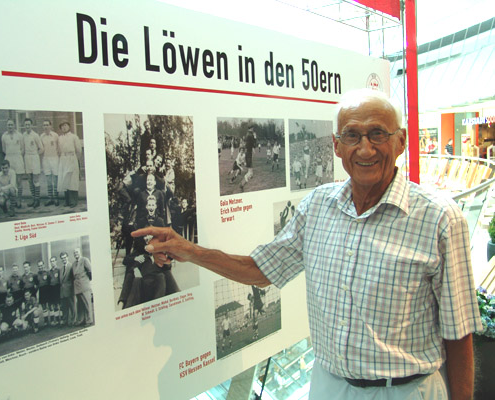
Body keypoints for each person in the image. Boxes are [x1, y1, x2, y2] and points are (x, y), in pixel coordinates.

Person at [133, 89, 482, 400]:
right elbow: (260, 270)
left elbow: (459, 332)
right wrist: (190, 250)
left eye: (378, 133)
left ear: (401, 141)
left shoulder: (439, 219)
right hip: (329, 386)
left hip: (405, 390)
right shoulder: (317, 207)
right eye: (352, 135)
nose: (365, 148)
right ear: (336, 145)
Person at [57, 122, 82, 207]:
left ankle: (73, 201)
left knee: (72, 180)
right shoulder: (60, 138)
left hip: (72, 158)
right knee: (64, 179)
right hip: (63, 159)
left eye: (65, 125)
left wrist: (76, 161)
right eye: (62, 126)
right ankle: (67, 201)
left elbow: (79, 150)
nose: (64, 127)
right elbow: (59, 150)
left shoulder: (74, 137)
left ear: (69, 127)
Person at [1, 119, 25, 207]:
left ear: (14, 125)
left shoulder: (19, 135)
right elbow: (4, 149)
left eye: (11, 125)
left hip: (18, 158)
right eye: (8, 125)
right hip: (9, 158)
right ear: (6, 126)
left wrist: (17, 155)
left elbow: (22, 148)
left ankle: (19, 200)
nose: (10, 126)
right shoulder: (4, 136)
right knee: (10, 180)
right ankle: (13, 201)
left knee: (19, 181)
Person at [22, 118, 43, 208]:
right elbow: (23, 148)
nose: (27, 126)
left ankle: (37, 200)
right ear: (24, 126)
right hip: (27, 158)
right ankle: (33, 199)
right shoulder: (23, 135)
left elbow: (41, 148)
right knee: (30, 181)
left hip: (34, 158)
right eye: (26, 125)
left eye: (29, 124)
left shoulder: (35, 135)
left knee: (35, 180)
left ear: (31, 125)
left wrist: (35, 155)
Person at [71, 248, 93, 326]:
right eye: (74, 253)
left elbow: (90, 271)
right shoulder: (73, 264)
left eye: (77, 252)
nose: (75, 254)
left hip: (84, 285)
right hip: (77, 286)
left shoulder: (84, 260)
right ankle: (81, 320)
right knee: (80, 305)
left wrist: (86, 281)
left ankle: (89, 320)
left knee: (87, 304)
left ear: (80, 252)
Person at [40, 120, 60, 206]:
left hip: (54, 158)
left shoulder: (55, 135)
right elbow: (40, 149)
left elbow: (59, 148)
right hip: (46, 159)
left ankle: (56, 198)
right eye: (44, 125)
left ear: (50, 126)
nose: (46, 127)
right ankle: (50, 198)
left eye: (47, 125)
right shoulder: (41, 136)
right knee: (48, 179)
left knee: (55, 178)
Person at [59, 251, 75, 325]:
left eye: (65, 257)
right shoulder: (61, 269)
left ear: (67, 257)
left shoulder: (71, 266)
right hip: (63, 291)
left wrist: (72, 289)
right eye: (62, 258)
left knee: (72, 306)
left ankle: (73, 320)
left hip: (70, 290)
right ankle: (65, 321)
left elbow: (73, 279)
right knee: (64, 307)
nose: (64, 259)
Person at [240, 126, 257, 191]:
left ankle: (242, 184)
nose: (253, 129)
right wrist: (255, 137)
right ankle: (242, 184)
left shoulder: (247, 134)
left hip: (247, 154)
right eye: (253, 128)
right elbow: (254, 145)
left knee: (250, 173)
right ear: (251, 128)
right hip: (249, 155)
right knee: (250, 173)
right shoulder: (251, 135)